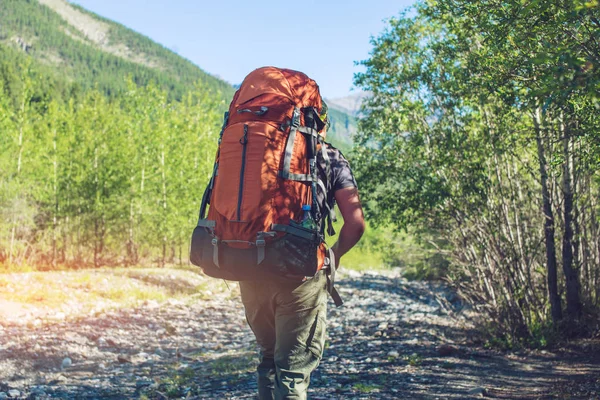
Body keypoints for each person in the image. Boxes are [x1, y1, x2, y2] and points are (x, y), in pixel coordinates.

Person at [239, 101, 366, 399]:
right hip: (303, 275)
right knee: (293, 369)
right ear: (319, 123)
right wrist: (333, 257)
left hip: (250, 266)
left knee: (268, 358)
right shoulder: (330, 156)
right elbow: (356, 223)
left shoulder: (254, 150)